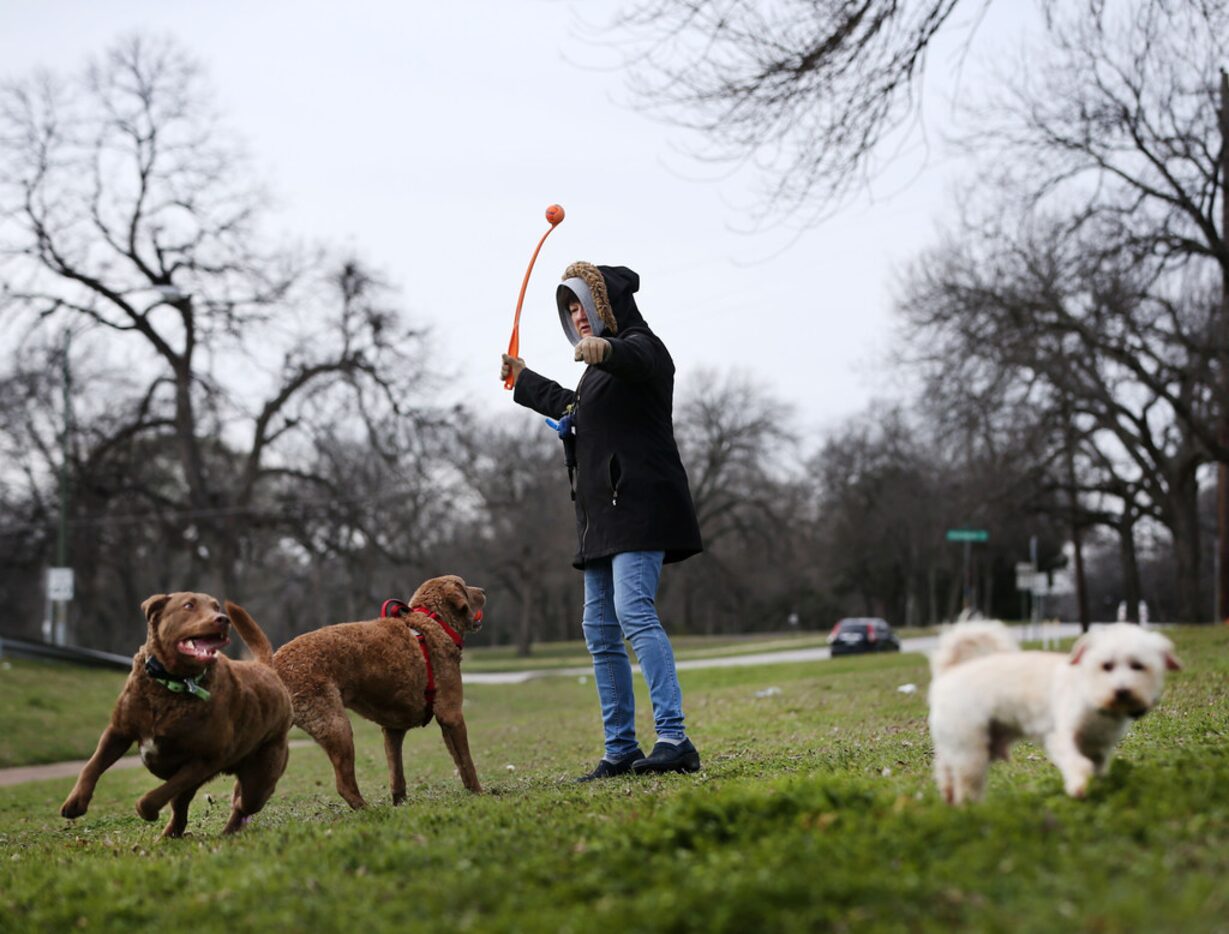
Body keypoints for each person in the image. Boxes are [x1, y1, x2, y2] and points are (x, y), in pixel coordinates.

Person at [500, 261, 703, 780]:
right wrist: (525, 381)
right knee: (598, 628)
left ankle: (675, 739)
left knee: (633, 612)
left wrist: (606, 350)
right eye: (569, 310)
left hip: (638, 508)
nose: (577, 316)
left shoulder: (644, 349)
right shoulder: (592, 379)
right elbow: (573, 407)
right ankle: (621, 749)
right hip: (598, 521)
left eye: (583, 305)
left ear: (604, 305)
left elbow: (633, 357)